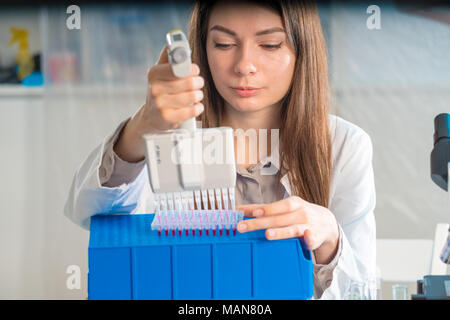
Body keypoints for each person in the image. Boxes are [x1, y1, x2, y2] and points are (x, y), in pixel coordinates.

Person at [64, 0, 376, 300]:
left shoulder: (344, 146)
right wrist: (144, 124)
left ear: (302, 49)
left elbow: (363, 291)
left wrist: (330, 238)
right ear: (203, 48)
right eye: (224, 44)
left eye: (269, 45)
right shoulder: (166, 136)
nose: (244, 66)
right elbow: (86, 212)